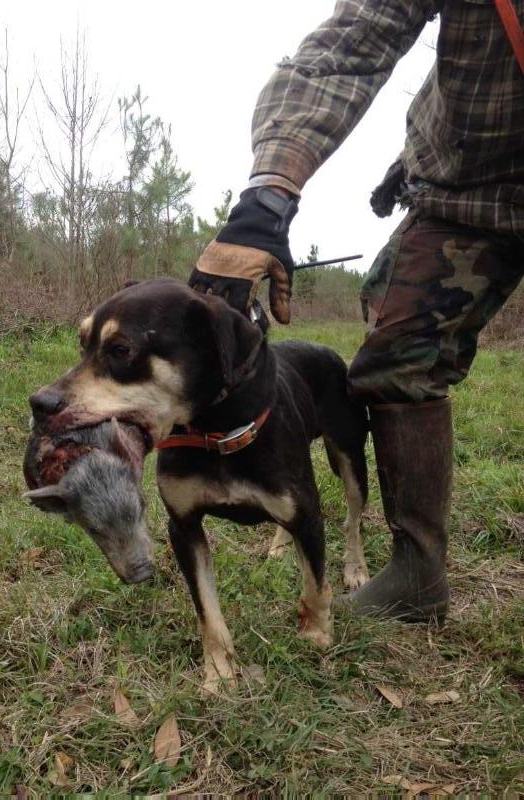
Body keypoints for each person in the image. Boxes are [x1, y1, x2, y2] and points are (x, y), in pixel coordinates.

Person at [189, 0, 524, 623]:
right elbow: (350, 44)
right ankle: (418, 574)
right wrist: (269, 194)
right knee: (397, 355)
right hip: (469, 190)